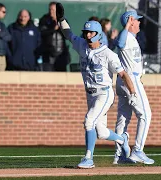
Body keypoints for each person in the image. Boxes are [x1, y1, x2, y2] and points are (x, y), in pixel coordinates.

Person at [55, 3, 138, 169]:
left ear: (98, 34)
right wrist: (61, 20)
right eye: (85, 32)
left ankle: (88, 158)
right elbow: (69, 34)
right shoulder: (82, 46)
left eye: (90, 32)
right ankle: (122, 139)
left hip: (104, 93)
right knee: (101, 132)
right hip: (90, 94)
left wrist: (133, 93)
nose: (87, 35)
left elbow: (123, 74)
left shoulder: (108, 54)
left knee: (88, 121)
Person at [113, 11, 154, 165]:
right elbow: (120, 43)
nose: (139, 23)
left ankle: (119, 156)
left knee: (123, 119)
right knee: (146, 115)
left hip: (125, 80)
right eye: (136, 20)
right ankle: (137, 150)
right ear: (130, 22)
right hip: (130, 81)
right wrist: (127, 26)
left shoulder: (132, 38)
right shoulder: (127, 37)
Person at [38, 1, 70, 71]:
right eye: (50, 10)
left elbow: (67, 35)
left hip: (61, 54)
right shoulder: (44, 20)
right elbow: (42, 33)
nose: (51, 12)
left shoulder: (63, 20)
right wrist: (53, 28)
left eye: (53, 10)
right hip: (48, 54)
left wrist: (60, 26)